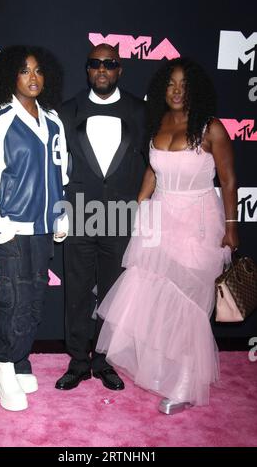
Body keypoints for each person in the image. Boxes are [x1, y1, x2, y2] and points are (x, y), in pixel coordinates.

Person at [95, 57, 239, 414]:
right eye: (171, 84)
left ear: (194, 91)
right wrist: (141, 202)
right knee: (155, 299)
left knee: (191, 304)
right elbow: (153, 168)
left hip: (198, 222)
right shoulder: (158, 123)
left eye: (184, 85)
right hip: (159, 217)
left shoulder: (211, 128)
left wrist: (233, 226)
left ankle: (187, 384)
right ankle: (162, 372)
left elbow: (229, 179)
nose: (176, 90)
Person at [0, 45, 69, 411]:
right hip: (7, 228)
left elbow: (61, 175)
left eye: (38, 70)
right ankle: (4, 367)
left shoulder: (53, 120)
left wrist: (60, 214)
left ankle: (19, 360)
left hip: (41, 229)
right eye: (25, 71)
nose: (33, 77)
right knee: (13, 300)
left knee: (35, 300)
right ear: (11, 75)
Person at [55, 44, 147, 391]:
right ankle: (78, 361)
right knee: (77, 292)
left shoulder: (140, 111)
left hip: (122, 216)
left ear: (120, 69)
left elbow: (154, 164)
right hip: (78, 214)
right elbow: (56, 166)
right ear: (88, 69)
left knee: (114, 293)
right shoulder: (68, 110)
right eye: (95, 63)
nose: (102, 69)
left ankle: (105, 361)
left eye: (110, 63)